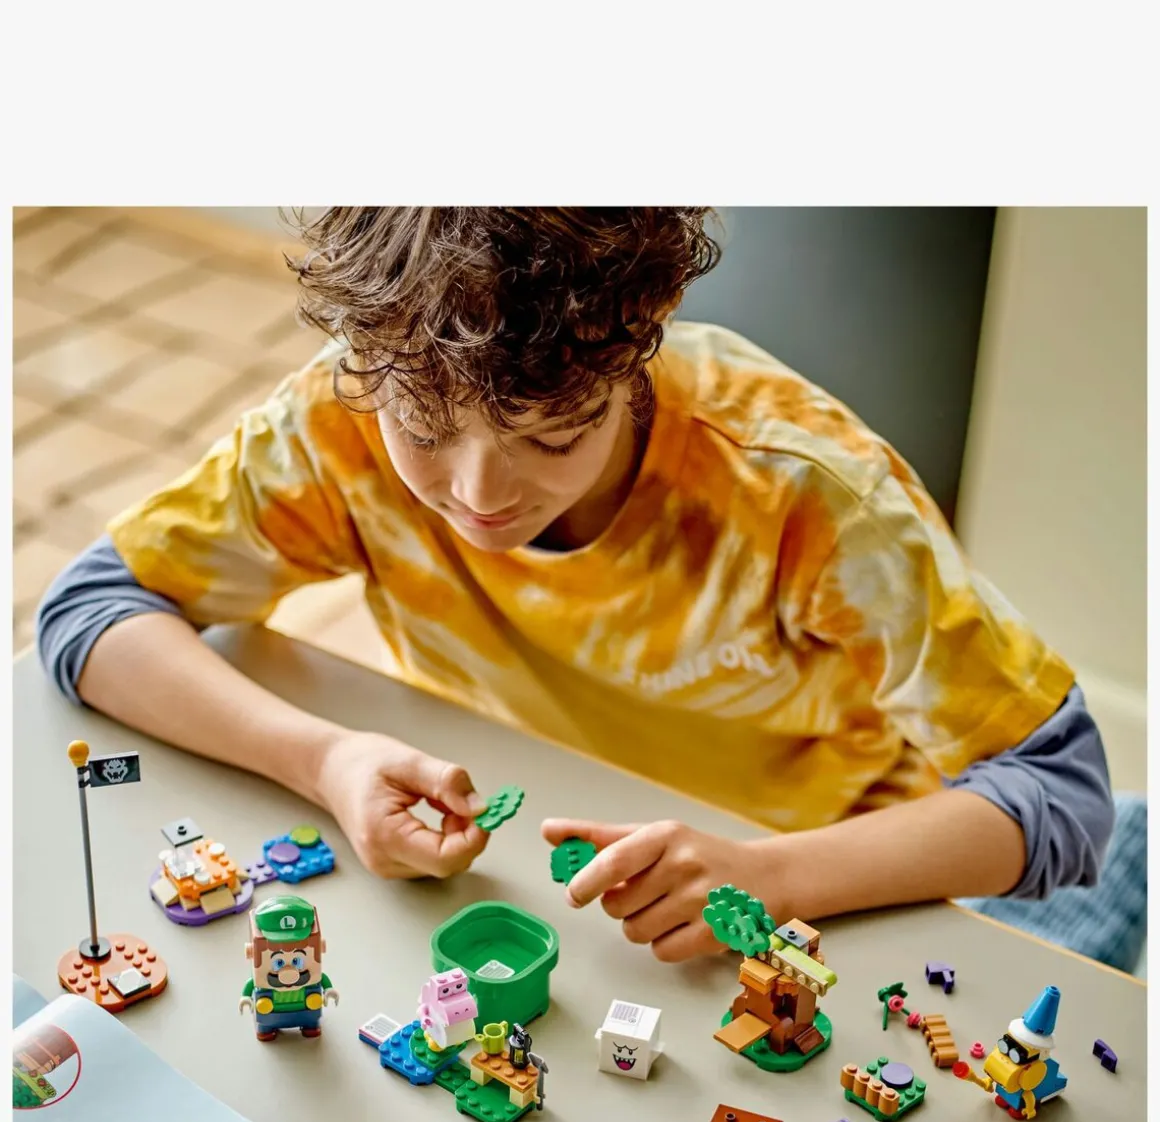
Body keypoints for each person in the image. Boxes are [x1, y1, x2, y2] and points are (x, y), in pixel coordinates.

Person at [37, 207, 1114, 964]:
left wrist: (774, 876)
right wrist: (325, 759)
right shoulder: (342, 416)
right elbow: (91, 612)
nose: (477, 498)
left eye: (552, 436)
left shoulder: (801, 487)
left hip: (822, 874)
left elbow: (1063, 798)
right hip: (534, 869)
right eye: (422, 432)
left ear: (635, 350)